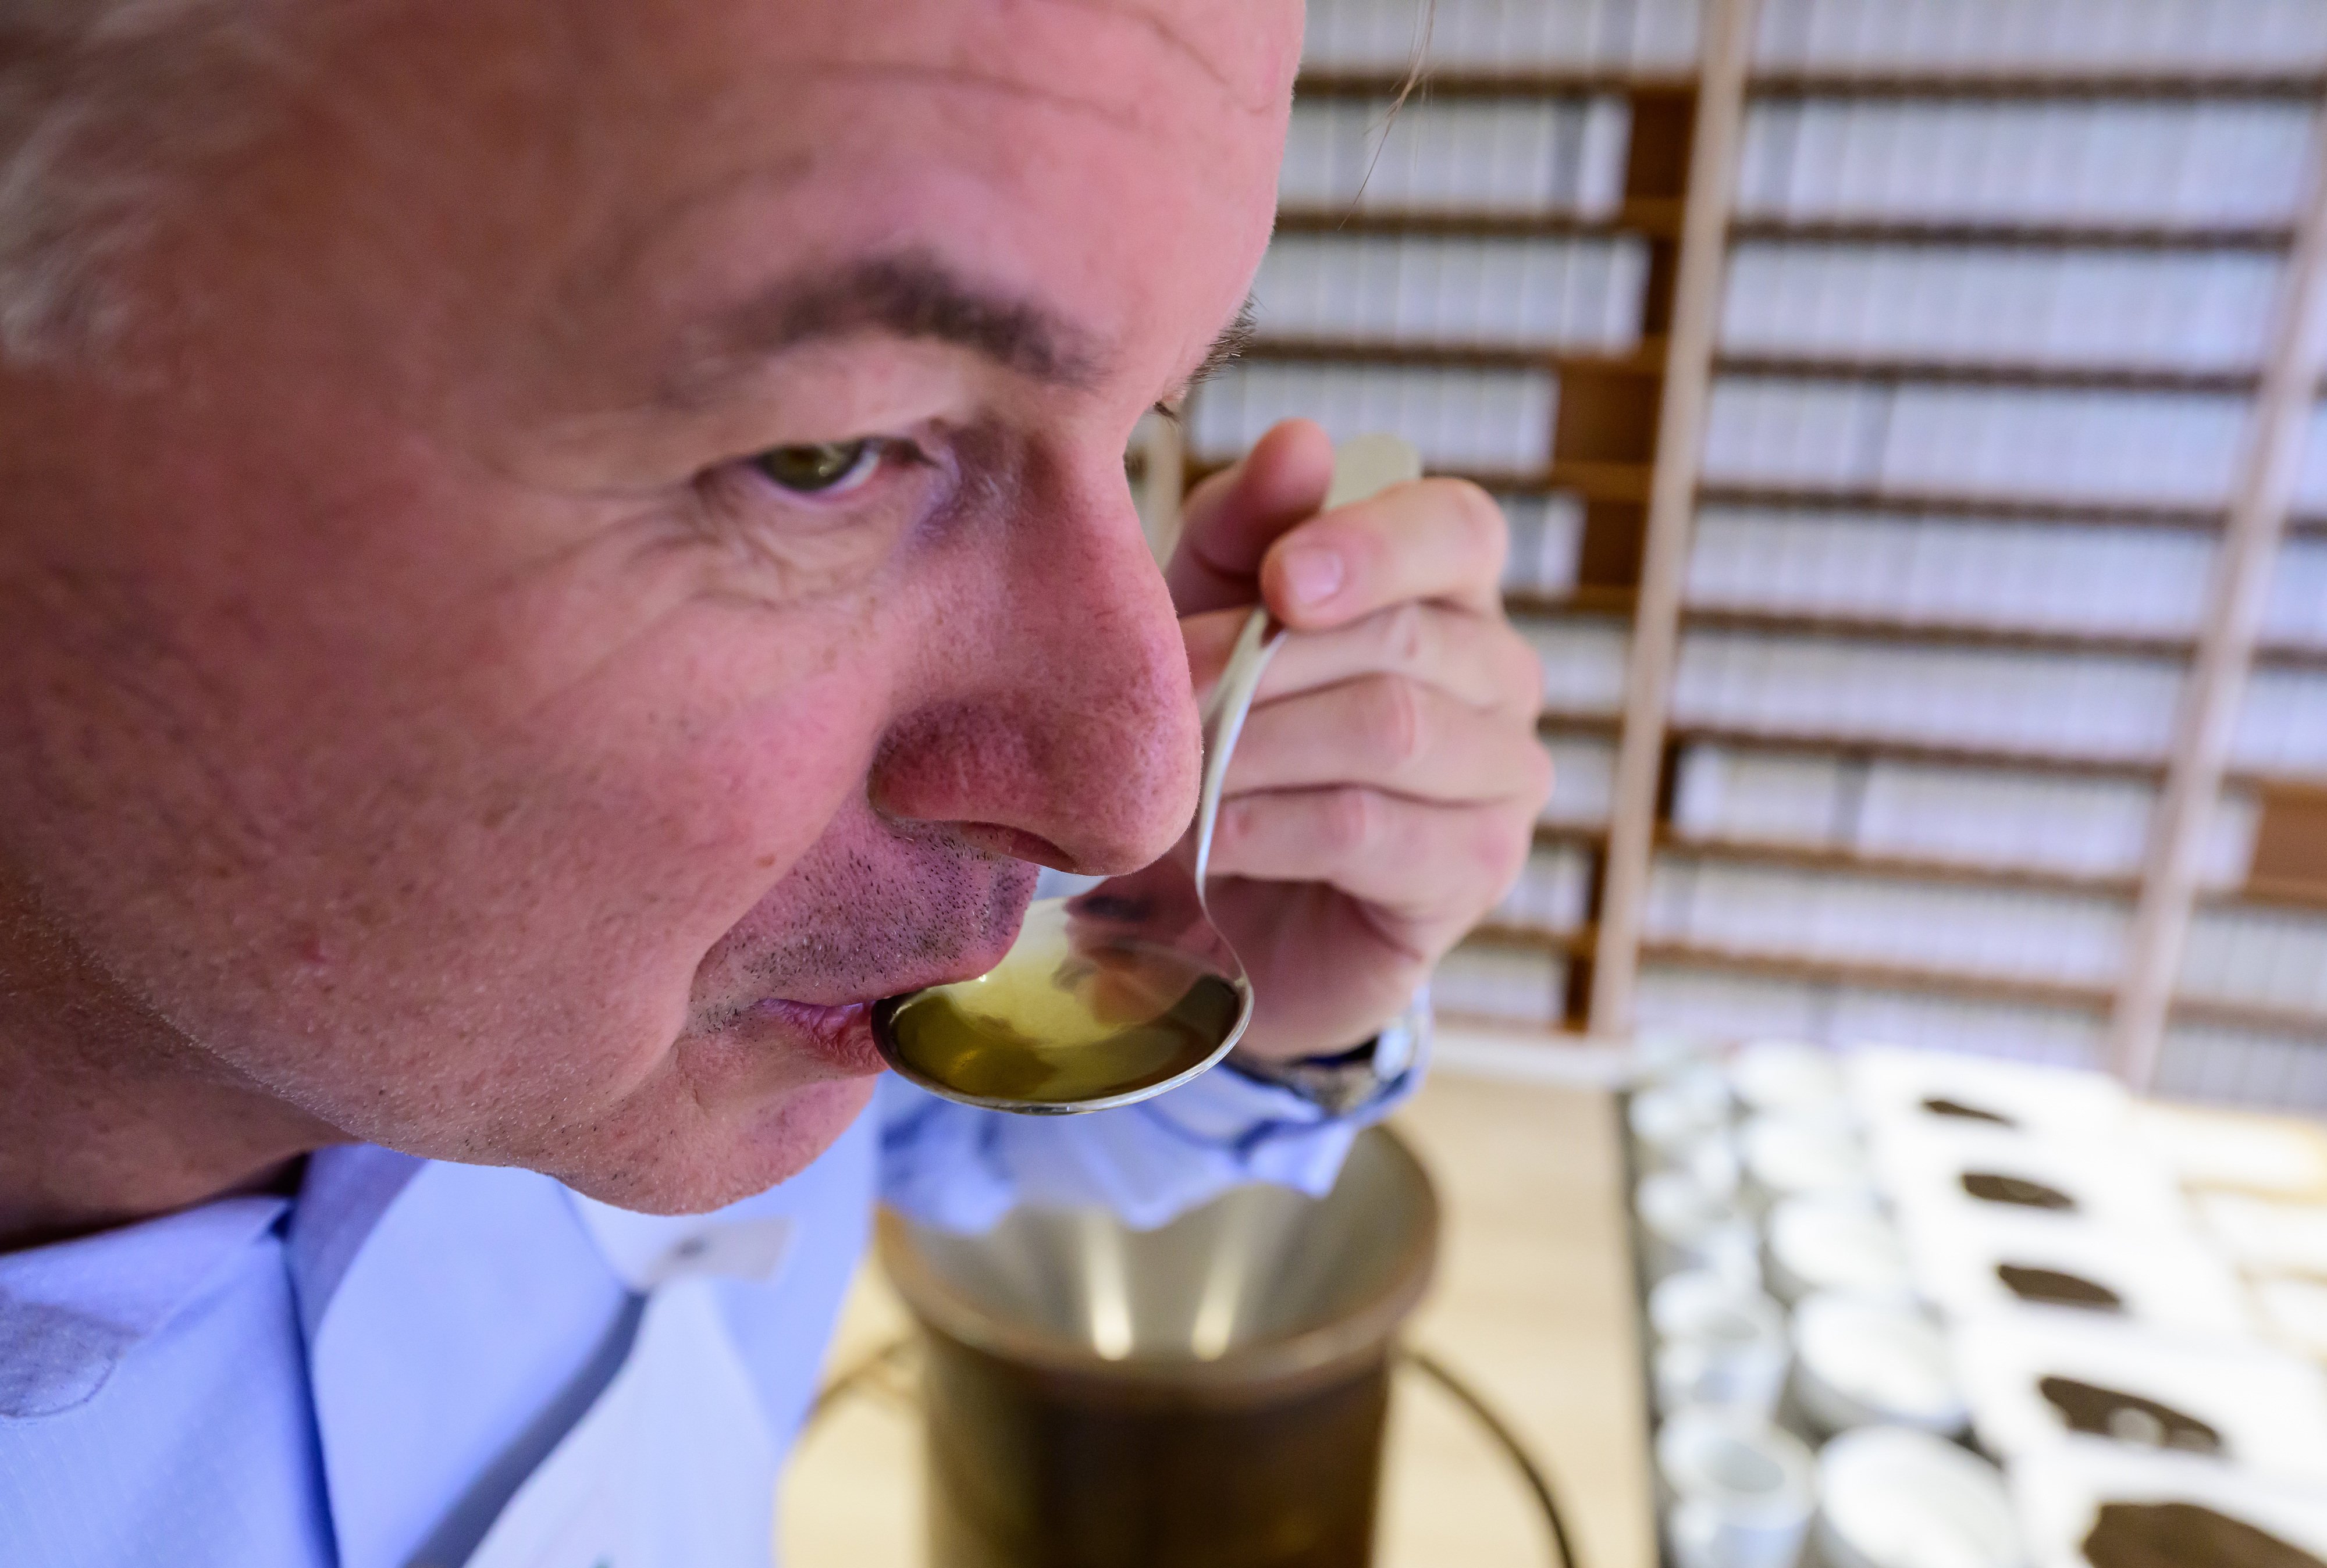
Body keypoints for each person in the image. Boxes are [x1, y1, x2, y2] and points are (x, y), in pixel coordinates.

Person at [0, 1, 1550, 1561]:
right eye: (827, 455)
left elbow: (953, 1142)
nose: (1139, 792)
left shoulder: (638, 986)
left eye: (1151, 414)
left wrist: (1263, 1006)